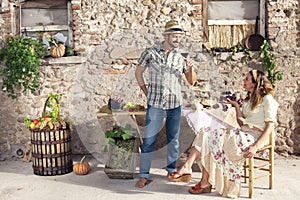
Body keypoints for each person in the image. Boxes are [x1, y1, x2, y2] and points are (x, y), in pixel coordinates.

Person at [168, 69, 279, 198]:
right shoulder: (249, 100)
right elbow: (241, 123)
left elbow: (270, 127)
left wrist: (255, 147)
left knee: (213, 137)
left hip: (256, 137)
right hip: (243, 133)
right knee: (206, 133)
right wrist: (237, 107)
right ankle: (194, 172)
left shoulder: (267, 100)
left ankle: (202, 179)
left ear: (255, 83)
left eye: (247, 79)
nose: (244, 81)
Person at [134, 19, 197, 188]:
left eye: (179, 36)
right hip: (155, 103)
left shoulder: (182, 56)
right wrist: (145, 91)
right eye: (175, 36)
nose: (177, 39)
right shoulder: (151, 52)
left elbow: (191, 82)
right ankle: (144, 175)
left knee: (173, 139)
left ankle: (171, 169)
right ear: (167, 35)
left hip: (174, 104)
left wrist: (190, 69)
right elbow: (138, 72)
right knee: (148, 140)